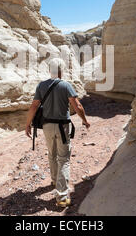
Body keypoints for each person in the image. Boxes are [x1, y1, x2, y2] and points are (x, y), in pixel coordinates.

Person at [25, 58, 91, 208]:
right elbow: (78, 106)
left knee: (51, 153)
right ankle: (61, 197)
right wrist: (84, 120)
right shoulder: (66, 85)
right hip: (62, 126)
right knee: (63, 158)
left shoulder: (41, 85)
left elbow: (34, 107)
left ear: (50, 70)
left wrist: (27, 124)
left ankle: (55, 180)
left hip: (47, 126)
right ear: (61, 70)